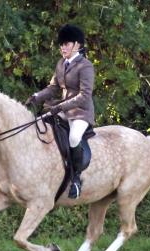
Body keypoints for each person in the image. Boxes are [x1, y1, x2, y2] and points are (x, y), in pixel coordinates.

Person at [25, 24, 95, 199]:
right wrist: (36, 96)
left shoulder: (85, 66)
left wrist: (61, 107)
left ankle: (76, 179)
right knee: (40, 127)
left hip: (81, 112)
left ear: (77, 45)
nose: (63, 47)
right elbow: (53, 88)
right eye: (61, 44)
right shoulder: (61, 64)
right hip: (62, 108)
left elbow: (85, 95)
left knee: (73, 138)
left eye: (67, 44)